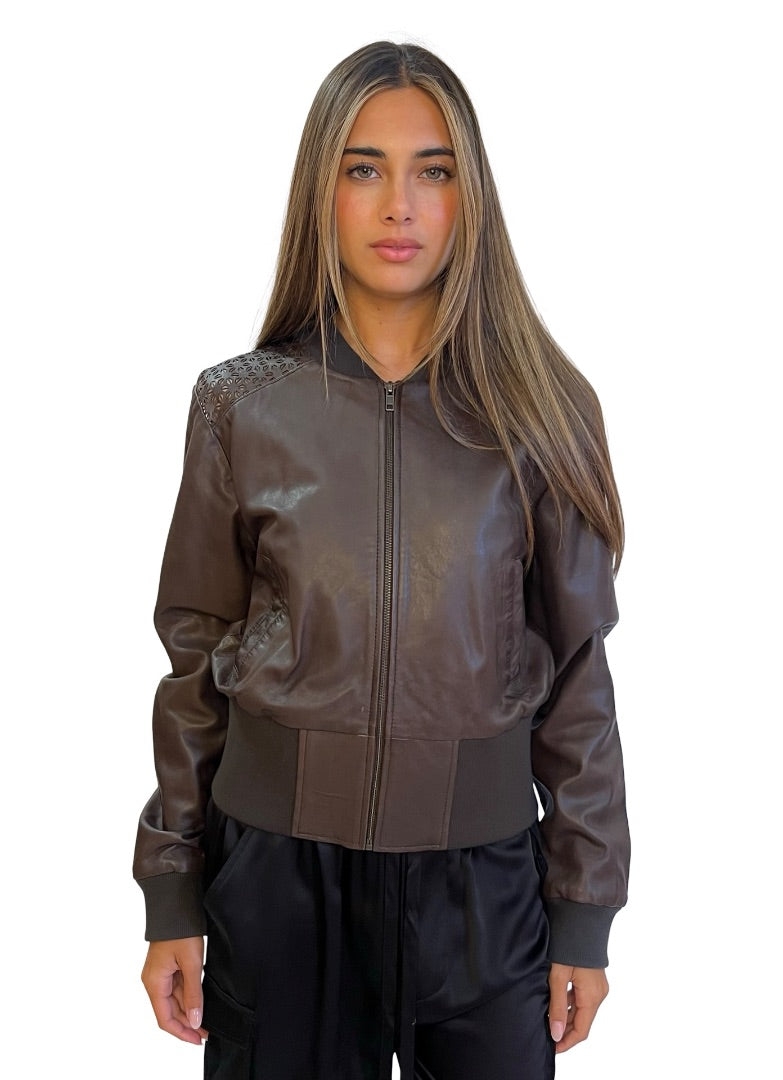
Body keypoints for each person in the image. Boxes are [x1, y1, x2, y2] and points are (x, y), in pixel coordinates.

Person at [135, 40, 630, 1080]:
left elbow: (579, 676)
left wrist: (583, 909)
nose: (399, 205)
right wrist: (173, 885)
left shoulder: (544, 412)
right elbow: (196, 654)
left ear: (468, 195)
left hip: (484, 892)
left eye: (432, 170)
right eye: (364, 168)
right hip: (279, 885)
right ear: (323, 189)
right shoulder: (241, 405)